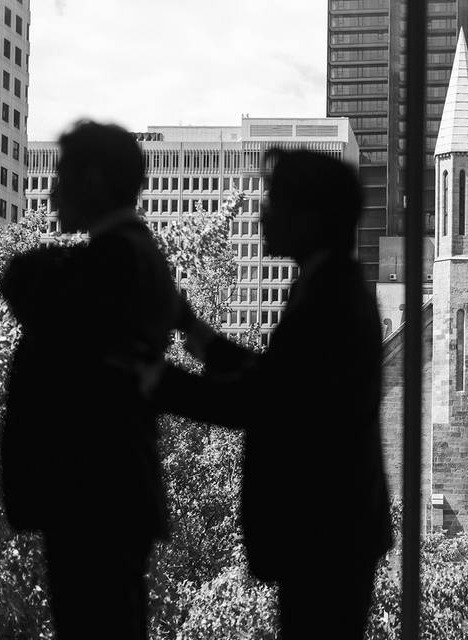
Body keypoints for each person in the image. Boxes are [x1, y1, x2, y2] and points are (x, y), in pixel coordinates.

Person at [153, 149, 391, 639]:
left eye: (276, 200)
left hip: (325, 535)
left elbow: (264, 401)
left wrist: (157, 383)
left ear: (311, 216)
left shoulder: (330, 297)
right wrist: (194, 332)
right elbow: (279, 379)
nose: (263, 212)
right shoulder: (328, 284)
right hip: (330, 531)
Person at [0, 121, 181, 639]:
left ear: (96, 181)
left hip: (93, 495)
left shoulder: (117, 259)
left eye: (63, 175)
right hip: (102, 494)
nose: (53, 191)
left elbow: (20, 280)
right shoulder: (129, 258)